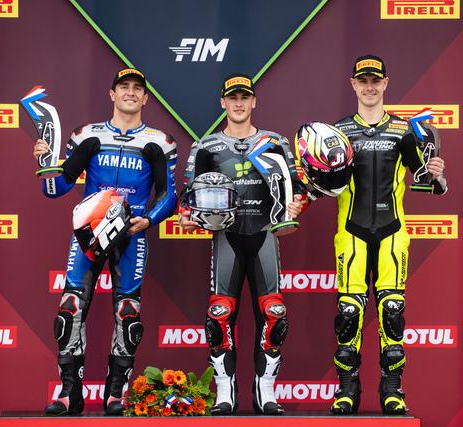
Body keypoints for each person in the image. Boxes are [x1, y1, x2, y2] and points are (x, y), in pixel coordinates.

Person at [32, 68, 177, 416]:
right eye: (123, 87)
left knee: (128, 314)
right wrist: (45, 164)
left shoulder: (160, 141)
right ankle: (69, 394)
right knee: (70, 308)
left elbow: (169, 196)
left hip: (130, 234)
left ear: (146, 98)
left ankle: (116, 395)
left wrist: (149, 219)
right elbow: (55, 189)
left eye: (137, 88)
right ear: (112, 94)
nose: (130, 92)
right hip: (89, 233)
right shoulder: (87, 135)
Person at [178, 74, 306, 415]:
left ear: (254, 101)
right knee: (219, 315)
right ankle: (225, 391)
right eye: (232, 97)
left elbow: (298, 189)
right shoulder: (206, 146)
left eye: (244, 97)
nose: (238, 103)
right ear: (223, 102)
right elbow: (188, 194)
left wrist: (297, 206)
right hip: (226, 237)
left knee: (274, 314)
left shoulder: (275, 142)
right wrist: (186, 215)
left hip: (265, 233)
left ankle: (266, 391)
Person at [328, 55, 447, 415]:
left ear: (385, 84)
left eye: (375, 80)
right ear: (353, 84)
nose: (369, 87)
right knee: (349, 311)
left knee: (392, 310)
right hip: (351, 231)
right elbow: (322, 184)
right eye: (363, 80)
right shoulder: (337, 132)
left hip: (393, 231)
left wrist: (437, 174)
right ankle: (347, 391)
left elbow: (429, 183)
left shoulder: (404, 130)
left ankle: (392, 391)